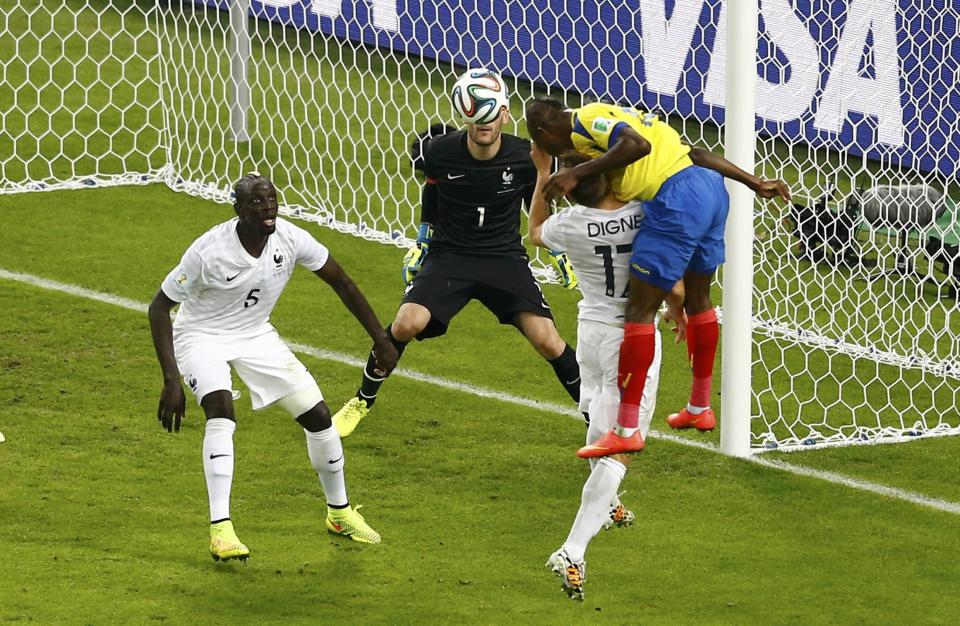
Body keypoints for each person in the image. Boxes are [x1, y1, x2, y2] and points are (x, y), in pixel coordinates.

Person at [148, 173, 399, 561]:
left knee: (319, 416)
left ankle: (339, 513)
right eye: (256, 202)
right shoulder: (208, 252)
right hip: (201, 335)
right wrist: (171, 380)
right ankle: (222, 530)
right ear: (238, 209)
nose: (267, 208)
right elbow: (159, 307)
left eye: (271, 200)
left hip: (254, 334)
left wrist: (380, 339)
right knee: (220, 410)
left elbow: (342, 281)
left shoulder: (290, 238)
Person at [526, 98, 791, 457]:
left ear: (543, 133)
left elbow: (638, 146)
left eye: (547, 149)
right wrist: (753, 182)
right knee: (698, 300)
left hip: (678, 200)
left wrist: (578, 173)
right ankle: (700, 408)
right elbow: (693, 152)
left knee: (638, 312)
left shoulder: (589, 121)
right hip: (710, 188)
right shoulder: (616, 114)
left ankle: (627, 429)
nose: (558, 156)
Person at [332, 70, 582, 437]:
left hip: (503, 258)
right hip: (451, 256)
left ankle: (596, 418)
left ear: (505, 114)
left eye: (491, 115)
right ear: (465, 115)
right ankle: (361, 402)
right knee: (405, 324)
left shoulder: (523, 157)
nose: (484, 125)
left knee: (547, 339)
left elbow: (536, 205)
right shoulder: (439, 152)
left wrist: (557, 250)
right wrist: (423, 240)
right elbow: (433, 193)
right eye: (477, 118)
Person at [528, 147, 685, 600]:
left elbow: (535, 231)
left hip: (592, 332)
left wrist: (542, 173)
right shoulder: (646, 216)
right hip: (632, 339)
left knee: (598, 423)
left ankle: (607, 504)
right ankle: (573, 548)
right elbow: (669, 271)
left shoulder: (571, 224)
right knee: (622, 447)